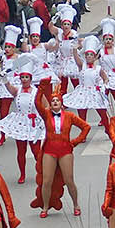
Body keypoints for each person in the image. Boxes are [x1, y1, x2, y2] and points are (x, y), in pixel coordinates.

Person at [35, 90, 92, 218]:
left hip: (65, 150)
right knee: (47, 180)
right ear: (50, 104)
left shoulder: (70, 116)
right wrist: (42, 88)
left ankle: (76, 204)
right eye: (53, 100)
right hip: (49, 150)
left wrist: (75, 142)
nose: (55, 102)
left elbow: (86, 127)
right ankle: (45, 207)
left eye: (57, 100)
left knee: (69, 180)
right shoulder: (46, 114)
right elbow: (37, 103)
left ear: (61, 103)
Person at [0, 53, 47, 184]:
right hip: (21, 123)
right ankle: (22, 174)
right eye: (22, 77)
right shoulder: (17, 90)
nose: (24, 79)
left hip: (34, 124)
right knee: (21, 151)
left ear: (30, 78)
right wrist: (5, 78)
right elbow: (9, 88)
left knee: (36, 152)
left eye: (26, 77)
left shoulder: (37, 92)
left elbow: (46, 106)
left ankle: (43, 172)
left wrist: (45, 120)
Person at [64, 36, 110, 126]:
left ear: (94, 57)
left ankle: (109, 129)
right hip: (83, 91)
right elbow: (76, 58)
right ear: (85, 56)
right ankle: (83, 131)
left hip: (95, 91)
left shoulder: (98, 68)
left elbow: (105, 78)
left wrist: (104, 86)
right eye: (87, 55)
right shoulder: (82, 66)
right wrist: (74, 50)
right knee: (81, 111)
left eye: (91, 55)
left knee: (102, 111)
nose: (89, 57)